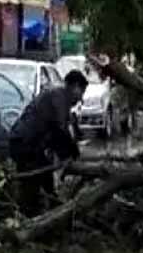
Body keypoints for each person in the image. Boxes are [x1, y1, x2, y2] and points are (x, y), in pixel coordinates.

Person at [8, 70, 88, 216]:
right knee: (32, 185)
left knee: (46, 180)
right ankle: (29, 221)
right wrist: (71, 151)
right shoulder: (58, 97)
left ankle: (51, 213)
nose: (81, 98)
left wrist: (68, 151)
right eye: (81, 92)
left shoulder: (58, 97)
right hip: (24, 144)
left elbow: (57, 133)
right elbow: (59, 129)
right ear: (75, 87)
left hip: (30, 145)